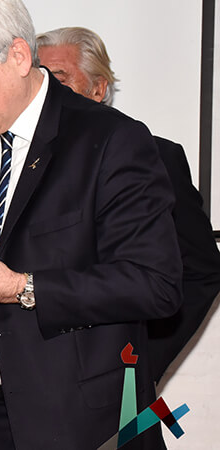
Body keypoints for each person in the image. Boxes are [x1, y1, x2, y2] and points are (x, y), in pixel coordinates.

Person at [0, 1, 183, 449]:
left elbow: (156, 283)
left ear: (19, 56)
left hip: (76, 422)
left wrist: (19, 286)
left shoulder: (110, 140)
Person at [37, 26, 220, 383]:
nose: (47, 95)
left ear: (99, 88)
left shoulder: (154, 157)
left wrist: (138, 361)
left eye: (59, 80)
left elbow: (201, 270)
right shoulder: (9, 164)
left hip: (111, 391)